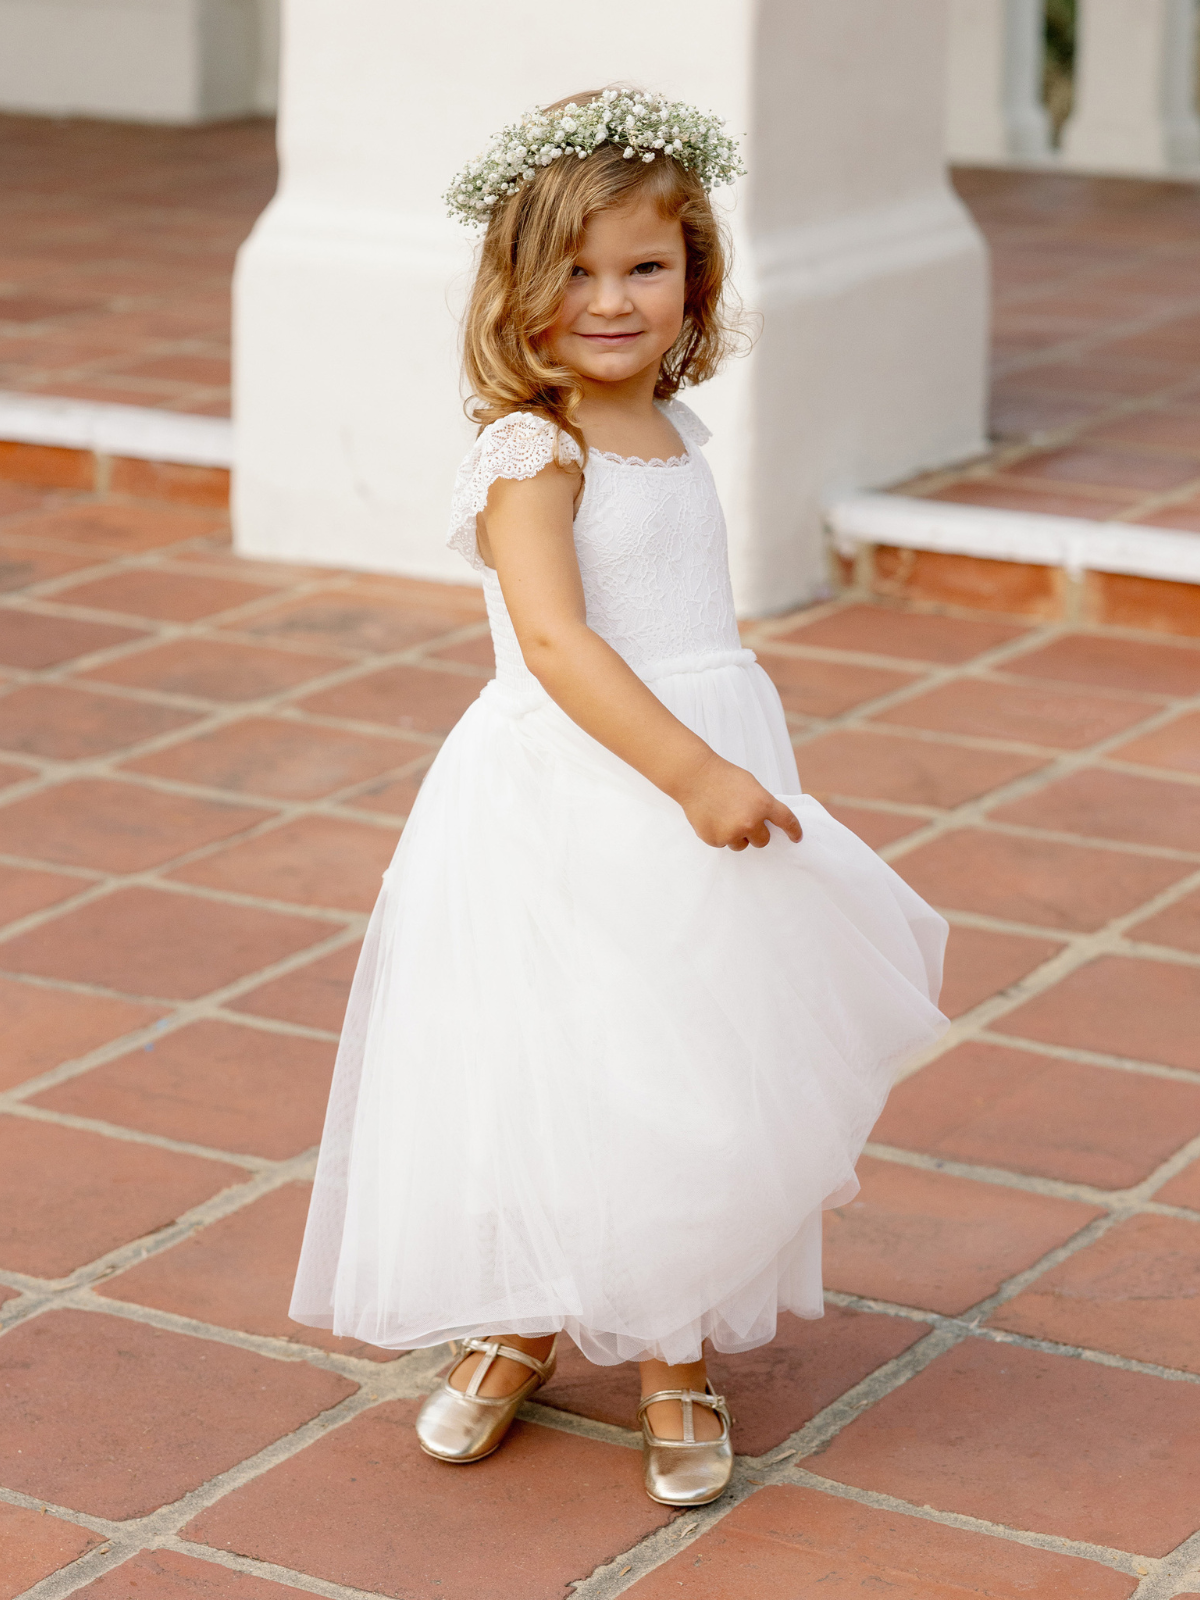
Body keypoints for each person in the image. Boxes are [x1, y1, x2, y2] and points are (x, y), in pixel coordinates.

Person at [290, 86, 948, 1508]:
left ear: (696, 280)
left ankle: (670, 1347)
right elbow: (556, 641)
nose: (610, 299)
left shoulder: (675, 429)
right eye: (575, 272)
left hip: (704, 753)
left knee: (689, 1059)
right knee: (559, 1056)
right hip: (580, 790)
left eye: (644, 267)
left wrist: (729, 754)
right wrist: (693, 770)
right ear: (517, 292)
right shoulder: (538, 449)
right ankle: (522, 1320)